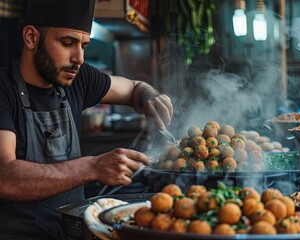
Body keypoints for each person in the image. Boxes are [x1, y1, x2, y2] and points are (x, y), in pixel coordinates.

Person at [0, 0, 173, 239]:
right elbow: (5, 177)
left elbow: (134, 88)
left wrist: (149, 97)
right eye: (68, 42)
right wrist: (92, 167)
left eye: (84, 45)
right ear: (31, 37)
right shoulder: (3, 90)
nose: (79, 58)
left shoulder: (77, 78)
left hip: (72, 233)